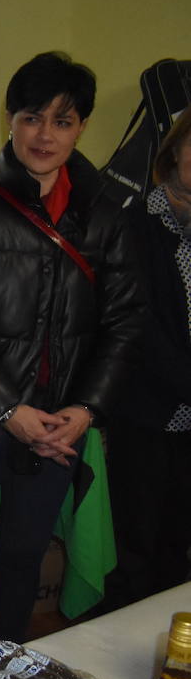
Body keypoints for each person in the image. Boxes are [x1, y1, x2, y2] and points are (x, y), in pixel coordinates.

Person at [0, 51, 140, 642]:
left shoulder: (108, 218)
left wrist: (84, 411)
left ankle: (5, 671)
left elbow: (125, 323)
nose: (44, 135)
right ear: (10, 118)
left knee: (25, 556)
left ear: (82, 127)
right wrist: (5, 409)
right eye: (32, 117)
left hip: (59, 422)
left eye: (62, 121)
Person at [104, 106, 191, 609]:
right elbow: (139, 324)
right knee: (133, 548)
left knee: (177, 548)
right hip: (146, 412)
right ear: (174, 151)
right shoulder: (134, 224)